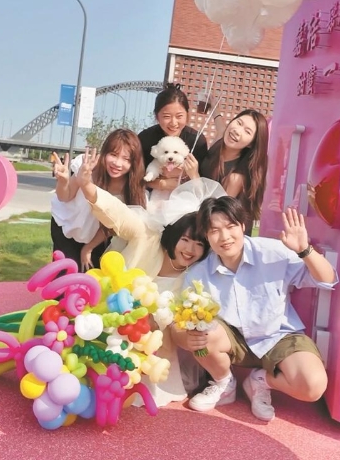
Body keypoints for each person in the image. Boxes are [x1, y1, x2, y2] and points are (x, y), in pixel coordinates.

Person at [75, 147, 227, 406]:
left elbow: (177, 326)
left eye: (199, 244)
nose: (190, 249)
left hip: (153, 346)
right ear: (174, 234)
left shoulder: (195, 276)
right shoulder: (147, 236)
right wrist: (87, 186)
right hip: (110, 320)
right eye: (185, 239)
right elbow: (117, 213)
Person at [171, 196, 338, 422]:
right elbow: (179, 325)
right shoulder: (197, 274)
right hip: (234, 339)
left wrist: (304, 250)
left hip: (279, 336)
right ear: (207, 235)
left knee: (312, 386)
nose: (224, 237)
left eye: (230, 226)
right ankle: (223, 382)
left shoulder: (273, 252)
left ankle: (261, 381)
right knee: (201, 329)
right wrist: (187, 338)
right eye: (215, 231)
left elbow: (328, 279)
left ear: (242, 225)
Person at [50, 129, 146, 272]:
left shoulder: (130, 188)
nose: (118, 163)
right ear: (105, 153)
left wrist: (88, 248)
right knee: (64, 276)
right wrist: (63, 182)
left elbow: (112, 226)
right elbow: (65, 196)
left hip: (95, 236)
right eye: (113, 155)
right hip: (65, 225)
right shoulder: (88, 167)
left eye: (126, 159)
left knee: (90, 278)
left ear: (134, 162)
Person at [184, 109, 269, 234]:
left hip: (220, 230)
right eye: (239, 123)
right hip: (198, 211)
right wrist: (213, 105)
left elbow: (215, 211)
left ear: (251, 144)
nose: (237, 131)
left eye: (247, 132)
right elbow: (220, 126)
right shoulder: (220, 142)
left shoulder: (236, 177)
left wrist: (194, 175)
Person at [138, 83, 208, 196]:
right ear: (156, 117)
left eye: (179, 116)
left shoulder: (197, 140)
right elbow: (135, 178)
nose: (173, 123)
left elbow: (203, 186)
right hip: (150, 196)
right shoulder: (145, 138)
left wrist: (193, 174)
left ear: (187, 115)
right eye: (166, 116)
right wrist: (162, 184)